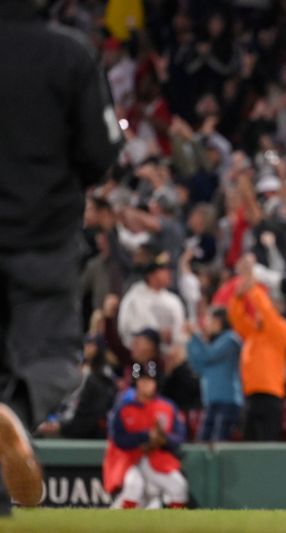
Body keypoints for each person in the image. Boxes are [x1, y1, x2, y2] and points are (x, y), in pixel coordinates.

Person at [0, 0, 122, 510]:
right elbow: (101, 155)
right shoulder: (69, 52)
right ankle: (9, 413)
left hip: (39, 240)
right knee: (57, 362)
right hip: (41, 241)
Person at [227, 254, 286, 441]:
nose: (258, 312)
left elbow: (267, 312)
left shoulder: (283, 330)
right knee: (248, 442)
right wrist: (239, 296)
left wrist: (252, 284)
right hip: (250, 396)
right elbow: (236, 318)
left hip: (271, 398)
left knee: (267, 444)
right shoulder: (253, 333)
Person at [103, 362, 189, 509]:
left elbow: (179, 438)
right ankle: (116, 524)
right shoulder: (124, 408)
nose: (146, 384)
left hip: (155, 457)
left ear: (156, 383)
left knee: (178, 486)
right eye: (142, 380)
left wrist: (163, 439)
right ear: (136, 383)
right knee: (135, 486)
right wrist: (145, 436)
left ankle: (175, 526)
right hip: (129, 458)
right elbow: (118, 439)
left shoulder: (167, 407)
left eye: (149, 380)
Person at [186, 308, 243, 442]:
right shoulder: (210, 344)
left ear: (218, 321)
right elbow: (198, 367)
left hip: (228, 401)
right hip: (211, 401)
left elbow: (208, 356)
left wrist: (195, 336)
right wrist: (190, 342)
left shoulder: (231, 339)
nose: (205, 324)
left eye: (208, 320)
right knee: (202, 442)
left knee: (218, 444)